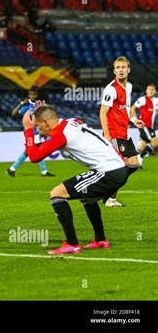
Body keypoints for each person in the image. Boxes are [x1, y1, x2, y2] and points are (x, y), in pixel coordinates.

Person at [24, 104, 129, 255]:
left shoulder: (59, 134)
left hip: (109, 170)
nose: (37, 130)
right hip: (117, 167)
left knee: (57, 193)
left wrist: (27, 130)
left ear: (46, 123)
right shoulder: (72, 121)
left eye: (38, 126)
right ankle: (100, 240)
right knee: (87, 197)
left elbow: (34, 157)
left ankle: (72, 244)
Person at [99, 56, 145, 207]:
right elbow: (102, 113)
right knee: (120, 166)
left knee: (134, 164)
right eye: (117, 68)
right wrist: (106, 135)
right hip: (113, 134)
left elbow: (125, 108)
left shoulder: (129, 87)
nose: (120, 70)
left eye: (123, 67)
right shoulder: (110, 89)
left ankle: (106, 192)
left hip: (124, 133)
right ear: (114, 71)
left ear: (128, 70)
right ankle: (109, 198)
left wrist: (133, 120)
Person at [7, 87, 55, 177]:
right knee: (36, 151)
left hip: (37, 132)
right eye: (31, 94)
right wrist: (21, 103)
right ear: (28, 95)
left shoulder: (38, 105)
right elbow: (13, 113)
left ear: (36, 95)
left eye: (34, 94)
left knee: (28, 152)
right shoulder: (26, 106)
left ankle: (12, 169)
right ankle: (43, 172)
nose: (32, 96)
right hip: (30, 132)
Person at [130, 83, 158, 159]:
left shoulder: (156, 101)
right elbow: (132, 108)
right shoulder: (143, 99)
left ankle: (137, 160)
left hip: (150, 126)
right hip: (144, 125)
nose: (151, 91)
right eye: (149, 89)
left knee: (142, 145)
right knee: (155, 143)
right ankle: (144, 153)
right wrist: (136, 119)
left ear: (155, 91)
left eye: (152, 90)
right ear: (146, 91)